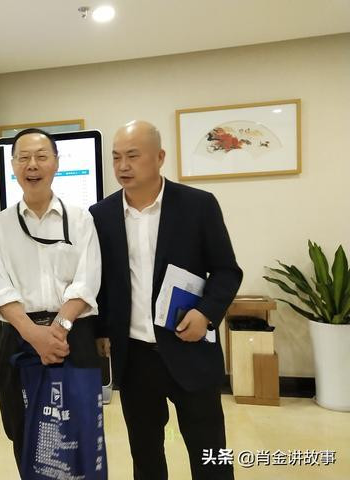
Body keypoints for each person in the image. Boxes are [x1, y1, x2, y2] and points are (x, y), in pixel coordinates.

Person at [90, 121, 243, 480]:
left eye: (132, 156)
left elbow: (227, 271)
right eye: (116, 158)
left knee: (210, 454)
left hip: (190, 347)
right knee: (145, 456)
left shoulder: (198, 205)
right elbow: (99, 282)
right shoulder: (100, 215)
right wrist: (100, 330)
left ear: (159, 157)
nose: (123, 166)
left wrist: (205, 314)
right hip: (135, 356)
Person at [0, 128, 103, 473]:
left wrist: (58, 329)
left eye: (41, 156)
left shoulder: (80, 219)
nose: (32, 165)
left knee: (77, 430)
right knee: (23, 431)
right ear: (13, 166)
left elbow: (87, 280)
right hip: (20, 339)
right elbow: (0, 289)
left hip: (73, 338)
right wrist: (34, 335)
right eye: (23, 158)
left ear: (56, 163)